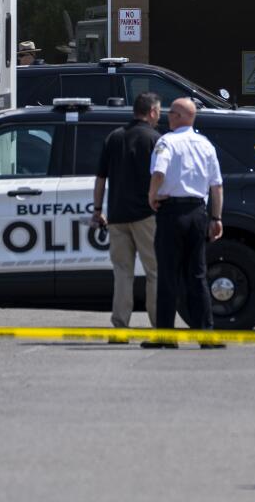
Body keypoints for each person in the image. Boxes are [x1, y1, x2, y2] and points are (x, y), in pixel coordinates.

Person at [143, 97, 224, 349]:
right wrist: (217, 217)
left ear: (178, 116)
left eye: (171, 113)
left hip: (172, 213)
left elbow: (159, 172)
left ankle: (166, 337)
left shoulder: (167, 142)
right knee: (197, 274)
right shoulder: (205, 144)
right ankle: (206, 335)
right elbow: (217, 185)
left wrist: (152, 195)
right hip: (197, 212)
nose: (168, 117)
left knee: (168, 275)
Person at [93, 92, 161, 340]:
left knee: (122, 272)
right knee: (155, 271)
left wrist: (97, 210)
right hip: (147, 215)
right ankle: (159, 325)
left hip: (117, 215)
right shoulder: (155, 139)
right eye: (159, 112)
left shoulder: (114, 137)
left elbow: (101, 178)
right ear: (152, 111)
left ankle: (120, 326)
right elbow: (160, 176)